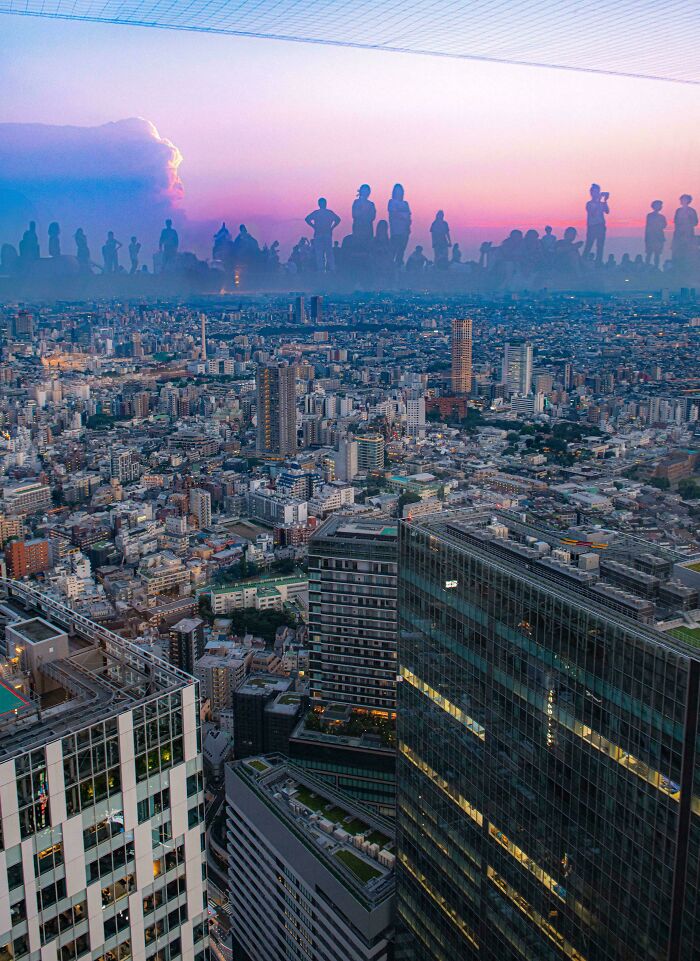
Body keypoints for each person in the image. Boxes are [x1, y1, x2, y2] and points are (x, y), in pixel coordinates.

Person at [305, 197, 341, 271]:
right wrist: (332, 227)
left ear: (319, 204)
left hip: (319, 234)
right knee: (329, 253)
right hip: (327, 233)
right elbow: (338, 219)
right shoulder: (329, 213)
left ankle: (321, 270)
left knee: (319, 253)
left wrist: (314, 226)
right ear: (325, 204)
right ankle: (331, 269)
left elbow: (307, 219)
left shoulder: (316, 213)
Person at [583, 184, 609, 264]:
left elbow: (607, 211)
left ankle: (598, 263)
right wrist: (599, 201)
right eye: (595, 191)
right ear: (591, 193)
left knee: (600, 246)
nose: (597, 193)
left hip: (601, 226)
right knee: (589, 245)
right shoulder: (589, 204)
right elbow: (593, 214)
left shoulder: (601, 203)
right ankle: (583, 261)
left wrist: (605, 201)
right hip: (592, 227)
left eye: (597, 191)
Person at [388, 183, 411, 266]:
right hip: (395, 231)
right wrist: (403, 215)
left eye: (400, 191)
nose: (399, 192)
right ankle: (390, 266)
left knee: (401, 251)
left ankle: (398, 267)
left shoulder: (405, 203)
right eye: (397, 191)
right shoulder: (391, 202)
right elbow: (393, 214)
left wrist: (407, 223)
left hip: (405, 231)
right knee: (393, 250)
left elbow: (408, 216)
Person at [672, 194, 698, 269]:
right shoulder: (678, 210)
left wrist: (688, 222)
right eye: (682, 199)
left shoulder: (692, 211)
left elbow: (695, 222)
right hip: (678, 235)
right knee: (678, 251)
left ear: (688, 201)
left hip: (688, 235)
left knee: (687, 251)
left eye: (684, 199)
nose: (682, 201)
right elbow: (675, 221)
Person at [644, 201, 667, 268]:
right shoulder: (650, 216)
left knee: (657, 255)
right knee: (649, 254)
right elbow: (648, 227)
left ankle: (655, 268)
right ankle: (647, 268)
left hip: (658, 238)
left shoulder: (662, 217)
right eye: (657, 205)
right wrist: (646, 238)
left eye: (659, 205)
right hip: (651, 237)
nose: (659, 207)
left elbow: (664, 225)